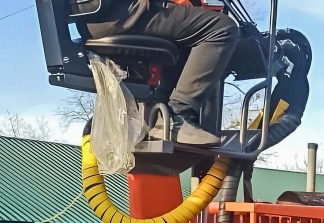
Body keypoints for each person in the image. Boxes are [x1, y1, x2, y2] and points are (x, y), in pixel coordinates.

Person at [85, 1, 240, 146]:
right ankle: (178, 116)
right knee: (222, 27)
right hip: (120, 13)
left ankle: (161, 113)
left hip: (95, 17)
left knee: (187, 31)